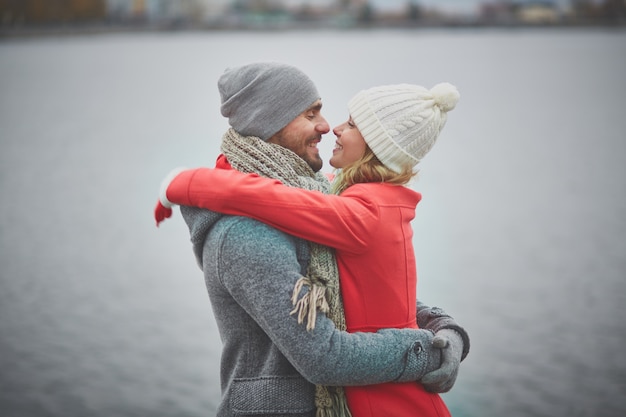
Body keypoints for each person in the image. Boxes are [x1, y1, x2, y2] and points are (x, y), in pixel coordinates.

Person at [155, 62, 470, 417]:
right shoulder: (246, 232)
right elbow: (324, 356)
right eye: (310, 113)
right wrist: (425, 351)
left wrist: (444, 329)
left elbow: (369, 292)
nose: (326, 125)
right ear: (270, 123)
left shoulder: (322, 200)